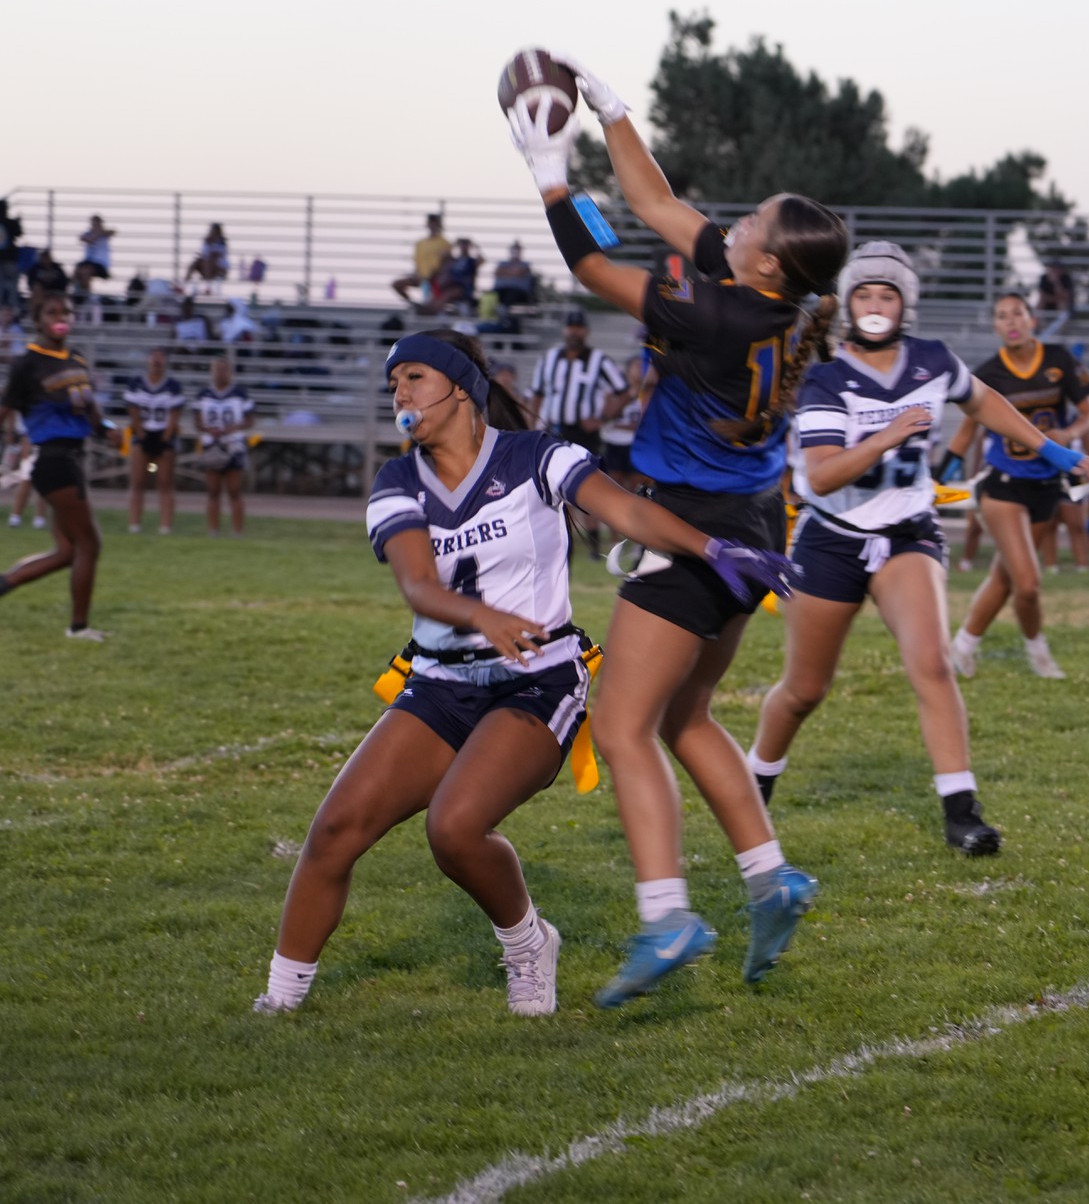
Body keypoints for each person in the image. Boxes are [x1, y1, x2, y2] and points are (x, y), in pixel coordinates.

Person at [253, 330, 793, 1016]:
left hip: (538, 681)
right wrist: (483, 616)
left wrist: (712, 547)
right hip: (441, 682)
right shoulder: (397, 482)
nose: (400, 394)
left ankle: (528, 944)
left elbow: (627, 509)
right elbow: (418, 585)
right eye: (393, 384)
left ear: (460, 387)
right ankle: (280, 1000)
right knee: (334, 831)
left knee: (455, 827)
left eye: (414, 377)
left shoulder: (536, 456)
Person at [509, 50, 844, 1004]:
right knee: (687, 716)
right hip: (754, 523)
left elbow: (591, 265)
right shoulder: (775, 298)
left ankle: (667, 914)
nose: (733, 224)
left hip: (694, 529)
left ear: (766, 259)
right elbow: (655, 203)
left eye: (751, 223)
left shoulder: (721, 315)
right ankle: (770, 876)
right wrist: (612, 109)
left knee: (622, 727)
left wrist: (549, 173)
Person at [751, 243, 1089, 852]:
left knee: (932, 664)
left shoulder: (932, 359)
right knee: (804, 690)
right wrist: (886, 436)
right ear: (848, 302)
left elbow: (984, 401)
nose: (875, 304)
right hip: (832, 537)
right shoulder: (826, 377)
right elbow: (823, 477)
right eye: (864, 293)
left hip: (907, 531)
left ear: (905, 303)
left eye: (886, 294)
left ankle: (962, 811)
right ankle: (755, 783)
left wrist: (1052, 449)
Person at [944, 293, 1089, 681]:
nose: (1011, 321)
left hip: (1046, 485)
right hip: (1003, 485)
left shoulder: (1059, 359)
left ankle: (962, 648)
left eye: (1017, 313)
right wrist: (938, 477)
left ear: (1032, 319)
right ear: (995, 326)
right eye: (1002, 316)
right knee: (1028, 583)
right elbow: (965, 433)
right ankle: (1038, 653)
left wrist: (1069, 435)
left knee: (1006, 577)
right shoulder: (988, 373)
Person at [0, 294, 112, 639]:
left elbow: (91, 413)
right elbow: (4, 411)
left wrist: (109, 430)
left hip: (72, 457)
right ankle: (78, 628)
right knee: (89, 545)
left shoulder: (77, 360)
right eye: (52, 312)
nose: (60, 317)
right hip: (53, 459)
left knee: (66, 552)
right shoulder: (28, 364)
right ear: (38, 320)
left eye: (66, 311)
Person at [528, 312, 631, 559]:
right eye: (570, 327)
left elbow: (625, 392)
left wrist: (602, 418)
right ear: (565, 330)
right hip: (554, 430)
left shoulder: (598, 360)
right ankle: (560, 544)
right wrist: (532, 426)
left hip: (585, 433)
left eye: (578, 327)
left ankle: (594, 547)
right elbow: (537, 393)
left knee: (588, 485)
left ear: (586, 331)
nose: (574, 332)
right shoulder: (550, 358)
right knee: (553, 486)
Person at [123, 346, 185, 535]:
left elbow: (175, 415)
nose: (157, 360)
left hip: (164, 436)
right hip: (142, 435)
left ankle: (165, 526)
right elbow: (133, 410)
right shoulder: (136, 383)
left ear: (165, 361)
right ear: (149, 359)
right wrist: (141, 433)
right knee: (137, 482)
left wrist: (165, 437)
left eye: (161, 357)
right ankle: (134, 524)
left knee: (165, 482)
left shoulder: (173, 386)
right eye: (154, 356)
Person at [194, 356, 255, 537]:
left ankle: (237, 531)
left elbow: (249, 420)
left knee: (235, 490)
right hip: (211, 445)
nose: (221, 373)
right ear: (212, 372)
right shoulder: (203, 394)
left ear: (230, 372)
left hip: (233, 444)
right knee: (213, 491)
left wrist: (233, 428)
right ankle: (213, 530)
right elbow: (197, 421)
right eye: (217, 369)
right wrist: (209, 430)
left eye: (224, 369)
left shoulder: (240, 393)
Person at [599, 354, 651, 489]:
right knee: (614, 485)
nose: (640, 369)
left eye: (643, 366)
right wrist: (630, 394)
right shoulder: (614, 390)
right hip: (614, 443)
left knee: (638, 485)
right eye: (637, 365)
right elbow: (607, 415)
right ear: (628, 369)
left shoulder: (650, 392)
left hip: (637, 444)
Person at [391, 215, 452, 306]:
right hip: (420, 277)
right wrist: (417, 274)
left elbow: (447, 263)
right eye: (431, 223)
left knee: (430, 298)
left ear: (439, 225)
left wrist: (433, 275)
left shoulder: (445, 243)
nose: (433, 225)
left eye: (435, 223)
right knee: (397, 284)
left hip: (436, 279)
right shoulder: (420, 243)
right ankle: (413, 305)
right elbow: (416, 261)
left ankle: (428, 306)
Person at [75, 215, 115, 297]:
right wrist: (93, 235)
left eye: (97, 223)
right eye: (94, 223)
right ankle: (78, 293)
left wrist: (98, 233)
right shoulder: (88, 233)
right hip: (88, 261)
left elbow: (112, 232)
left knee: (86, 271)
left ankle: (86, 295)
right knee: (77, 270)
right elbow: (82, 238)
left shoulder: (104, 233)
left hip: (100, 264)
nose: (95, 225)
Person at [1035, 260, 1076, 339]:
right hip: (1048, 304)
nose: (1054, 271)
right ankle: (1039, 327)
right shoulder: (1044, 277)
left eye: (1056, 268)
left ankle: (1062, 329)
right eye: (1052, 268)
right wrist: (1055, 298)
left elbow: (1066, 296)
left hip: (1061, 305)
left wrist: (1056, 282)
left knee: (1062, 303)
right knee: (1040, 303)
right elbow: (1042, 295)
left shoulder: (1066, 278)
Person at [492, 242, 537, 308]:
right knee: (489, 296)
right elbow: (497, 272)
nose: (515, 252)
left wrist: (505, 272)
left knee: (510, 296)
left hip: (518, 292)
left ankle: (503, 310)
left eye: (517, 250)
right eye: (514, 249)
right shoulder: (502, 263)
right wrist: (513, 272)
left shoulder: (525, 265)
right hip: (500, 290)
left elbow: (519, 272)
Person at [0, 198, 22, 318]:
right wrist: (17, 222)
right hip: (11, 259)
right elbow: (19, 234)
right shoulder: (11, 222)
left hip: (6, 260)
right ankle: (14, 309)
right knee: (13, 286)